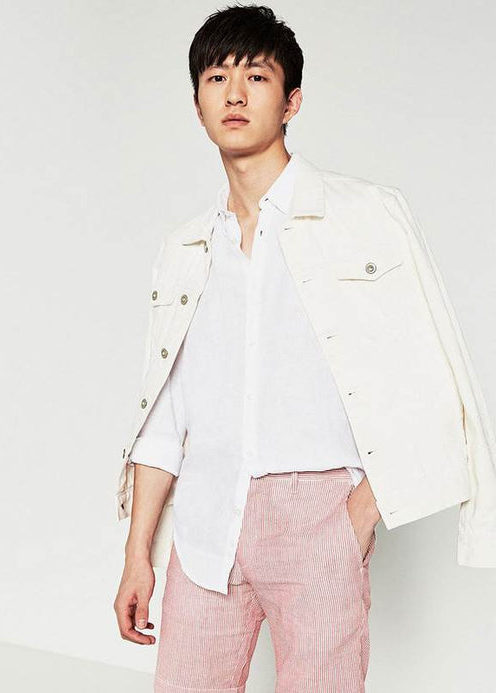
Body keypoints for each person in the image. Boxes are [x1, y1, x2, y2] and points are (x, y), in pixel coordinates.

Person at [113, 5, 496, 692]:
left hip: (318, 512)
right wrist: (137, 553)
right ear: (197, 105)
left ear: (291, 101)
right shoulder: (186, 248)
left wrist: (355, 516)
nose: (234, 94)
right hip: (204, 523)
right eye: (216, 77)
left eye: (256, 77)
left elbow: (428, 373)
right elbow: (164, 416)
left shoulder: (365, 215)